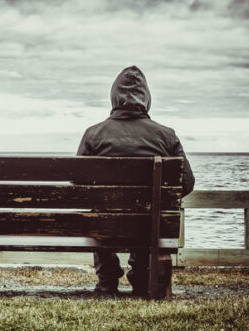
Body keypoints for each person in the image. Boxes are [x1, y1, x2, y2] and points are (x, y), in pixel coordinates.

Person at [76, 65, 195, 295]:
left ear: (114, 97)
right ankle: (140, 277)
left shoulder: (93, 135)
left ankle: (107, 279)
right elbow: (187, 184)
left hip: (105, 225)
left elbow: (78, 185)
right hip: (148, 225)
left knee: (99, 214)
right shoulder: (166, 136)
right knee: (149, 215)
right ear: (146, 99)